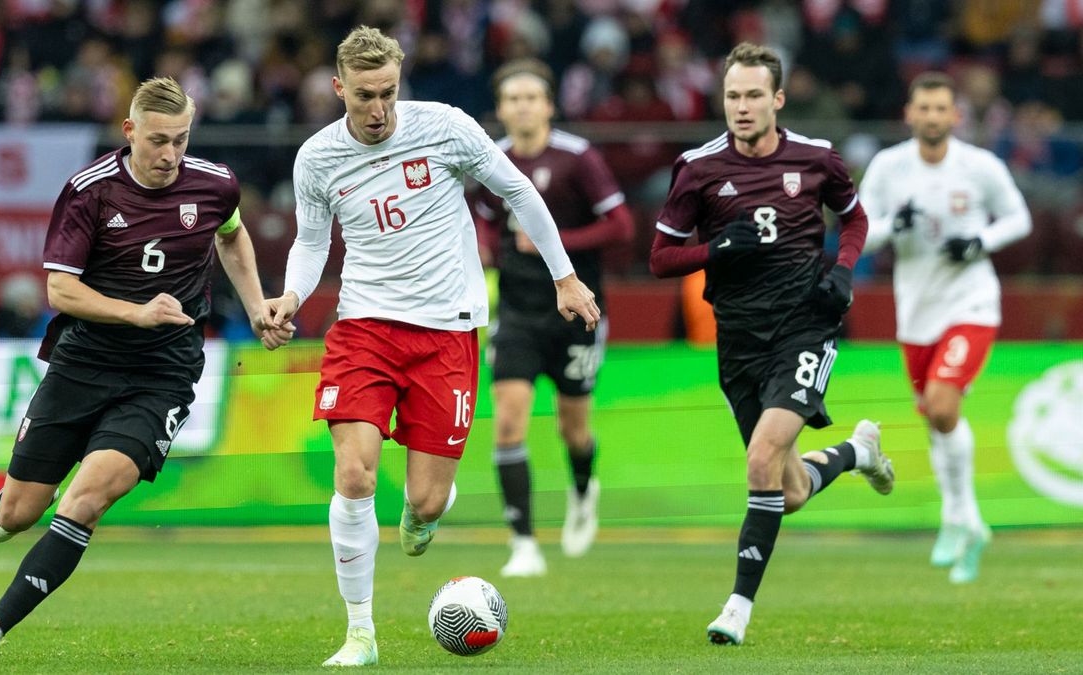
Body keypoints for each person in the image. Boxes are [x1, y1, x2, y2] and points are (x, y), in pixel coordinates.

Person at [263, 27, 601, 667]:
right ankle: (360, 633)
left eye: (389, 92)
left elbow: (517, 190)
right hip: (363, 326)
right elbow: (312, 243)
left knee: (426, 498)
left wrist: (564, 275)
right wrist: (291, 297)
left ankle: (422, 519)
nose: (380, 108)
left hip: (447, 330)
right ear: (340, 89)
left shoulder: (444, 126)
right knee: (354, 471)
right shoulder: (318, 158)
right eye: (365, 95)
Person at [0, 77, 283, 664]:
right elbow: (60, 290)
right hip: (83, 364)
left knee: (86, 501)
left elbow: (232, 237)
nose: (170, 155)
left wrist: (257, 308)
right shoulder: (90, 191)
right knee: (19, 515)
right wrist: (137, 312)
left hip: (163, 375)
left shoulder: (215, 185)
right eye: (158, 141)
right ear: (129, 131)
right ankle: (11, 503)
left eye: (181, 140)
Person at [648, 42, 896, 646]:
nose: (741, 106)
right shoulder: (698, 169)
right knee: (786, 492)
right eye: (732, 95)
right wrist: (715, 251)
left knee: (759, 460)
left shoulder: (817, 159)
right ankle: (856, 454)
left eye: (754, 95)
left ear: (777, 99)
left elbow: (856, 218)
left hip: (805, 326)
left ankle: (736, 606)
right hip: (739, 339)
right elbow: (659, 259)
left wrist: (842, 271)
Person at [859, 72, 1031, 584]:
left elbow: (1018, 218)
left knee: (942, 403)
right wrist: (894, 227)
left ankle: (955, 517)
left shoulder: (979, 166)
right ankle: (970, 522)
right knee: (937, 420)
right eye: (924, 108)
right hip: (916, 311)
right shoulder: (888, 167)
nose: (933, 117)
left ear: (957, 116)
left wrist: (979, 242)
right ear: (908, 114)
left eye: (942, 109)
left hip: (971, 302)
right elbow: (860, 232)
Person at [473, 58, 634, 577]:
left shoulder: (577, 157)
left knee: (573, 429)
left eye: (531, 97)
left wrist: (556, 245)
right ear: (500, 109)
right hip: (517, 311)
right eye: (512, 98)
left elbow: (621, 225)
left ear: (548, 106)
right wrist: (485, 248)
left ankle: (584, 489)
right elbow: (478, 218)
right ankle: (523, 543)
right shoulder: (489, 160)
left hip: (577, 312)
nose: (521, 106)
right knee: (508, 424)